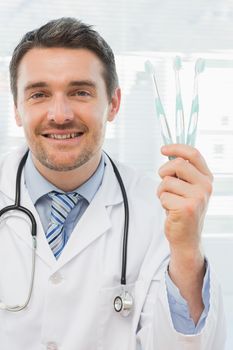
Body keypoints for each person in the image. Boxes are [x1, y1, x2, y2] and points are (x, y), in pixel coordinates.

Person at [0, 17, 225, 350]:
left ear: (114, 104)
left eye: (80, 92)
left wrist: (187, 248)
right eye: (39, 94)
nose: (60, 114)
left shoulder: (158, 210)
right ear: (17, 108)